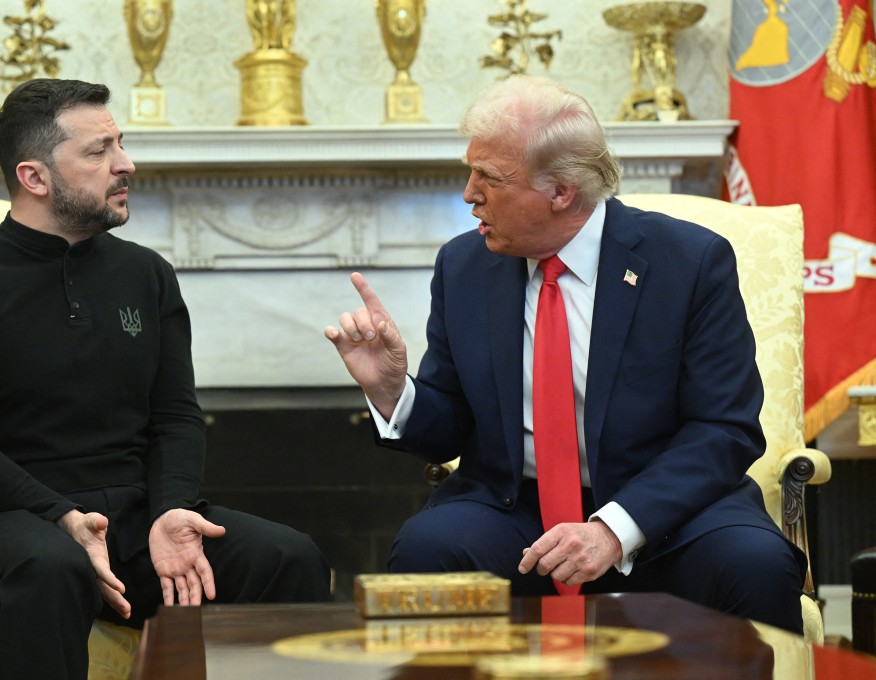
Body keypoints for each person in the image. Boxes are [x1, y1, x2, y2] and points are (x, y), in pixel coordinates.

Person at [324, 75, 806, 633]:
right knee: (429, 549)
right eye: (470, 170)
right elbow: (451, 425)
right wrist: (391, 390)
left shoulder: (690, 262)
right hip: (515, 507)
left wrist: (612, 528)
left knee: (755, 565)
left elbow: (724, 429)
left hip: (667, 510)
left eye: (490, 177)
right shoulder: (465, 266)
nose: (468, 193)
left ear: (561, 191)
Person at [0, 78, 331, 680]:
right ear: (35, 177)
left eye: (120, 144)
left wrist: (171, 509)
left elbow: (176, 415)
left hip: (136, 520)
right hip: (7, 523)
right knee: (52, 568)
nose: (125, 164)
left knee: (289, 557)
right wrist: (59, 515)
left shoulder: (147, 276)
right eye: (99, 151)